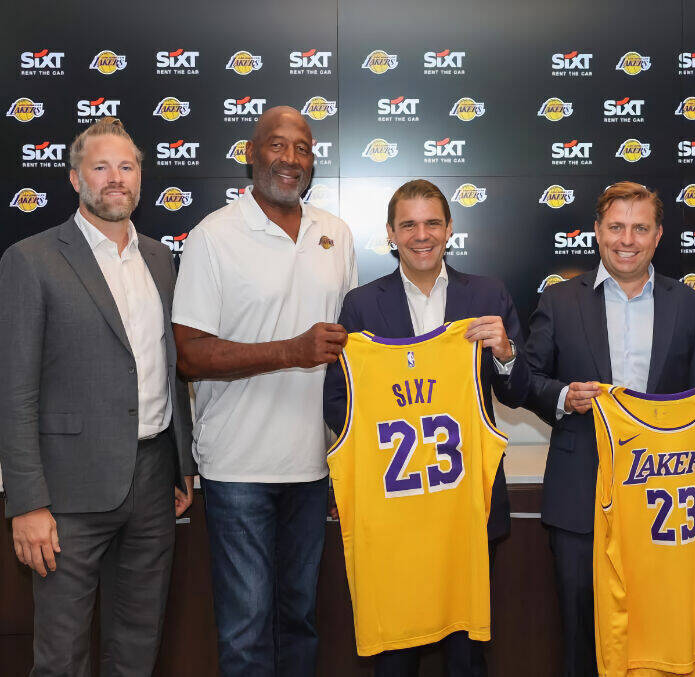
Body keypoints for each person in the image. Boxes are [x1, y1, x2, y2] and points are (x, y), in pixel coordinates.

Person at [0, 117, 196, 675]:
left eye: (126, 167)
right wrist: (28, 503)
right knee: (62, 656)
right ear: (75, 178)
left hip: (154, 481)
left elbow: (167, 366)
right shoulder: (31, 260)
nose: (116, 178)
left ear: (140, 178)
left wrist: (181, 465)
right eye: (101, 167)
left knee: (137, 646)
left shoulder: (160, 258)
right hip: (66, 492)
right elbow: (14, 391)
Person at [172, 106, 357, 676]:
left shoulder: (336, 233)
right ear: (250, 153)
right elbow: (190, 354)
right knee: (247, 631)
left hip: (313, 465)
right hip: (238, 467)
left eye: (302, 148)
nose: (290, 159)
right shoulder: (213, 236)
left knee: (300, 621)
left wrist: (346, 456)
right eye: (277, 145)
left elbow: (352, 353)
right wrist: (289, 351)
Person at [323, 179, 529, 676]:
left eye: (433, 223)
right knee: (396, 656)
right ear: (390, 233)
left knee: (466, 654)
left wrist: (505, 353)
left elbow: (517, 393)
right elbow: (337, 402)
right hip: (395, 513)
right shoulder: (361, 305)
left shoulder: (487, 295)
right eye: (409, 225)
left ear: (450, 229)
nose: (422, 235)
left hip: (467, 510)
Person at [523, 181, 695, 676]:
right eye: (616, 227)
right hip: (579, 497)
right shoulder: (559, 300)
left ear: (658, 235)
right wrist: (564, 397)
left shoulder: (689, 305)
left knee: (657, 636)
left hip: (663, 502)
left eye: (640, 228)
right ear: (597, 232)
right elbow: (526, 380)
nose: (627, 240)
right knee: (582, 637)